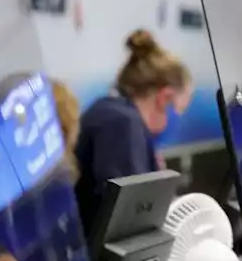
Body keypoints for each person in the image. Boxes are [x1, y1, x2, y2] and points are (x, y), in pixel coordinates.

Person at [75, 29, 191, 239]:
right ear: (164, 98)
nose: (178, 118)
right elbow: (130, 226)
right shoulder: (122, 124)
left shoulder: (113, 114)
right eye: (180, 109)